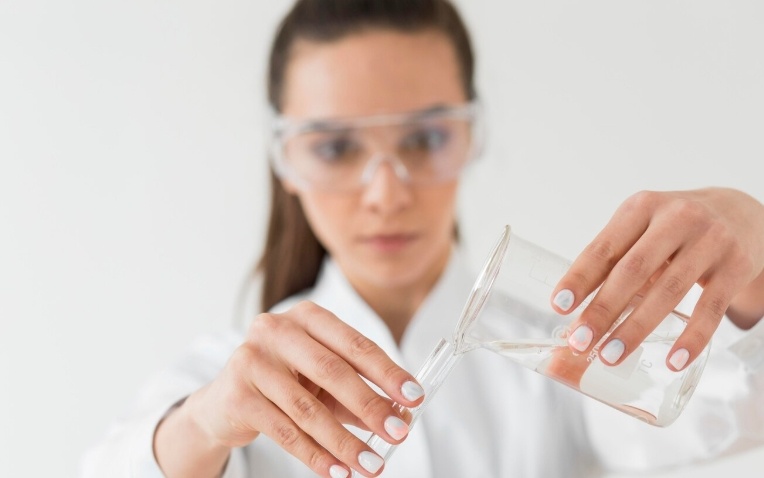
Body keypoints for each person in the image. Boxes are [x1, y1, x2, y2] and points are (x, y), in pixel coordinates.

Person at [80, 1, 764, 477]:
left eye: (424, 138)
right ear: (285, 161)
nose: (386, 192)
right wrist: (202, 426)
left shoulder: (559, 352)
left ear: (469, 137)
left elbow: (736, 411)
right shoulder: (225, 381)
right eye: (336, 147)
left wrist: (758, 265)